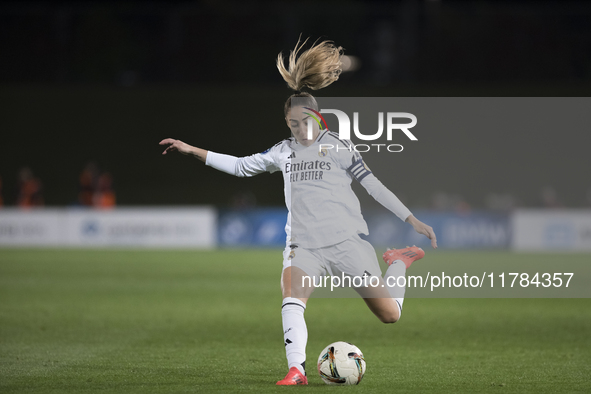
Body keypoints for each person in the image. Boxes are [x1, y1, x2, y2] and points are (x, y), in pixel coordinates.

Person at [159, 38, 437, 386]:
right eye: (291, 123)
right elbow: (240, 166)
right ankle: (297, 370)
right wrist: (190, 150)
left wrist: (410, 218)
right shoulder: (282, 151)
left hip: (346, 244)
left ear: (317, 117)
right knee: (292, 298)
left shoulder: (338, 146)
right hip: (303, 246)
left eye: (303, 122)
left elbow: (373, 185)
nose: (298, 128)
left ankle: (399, 261)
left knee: (390, 315)